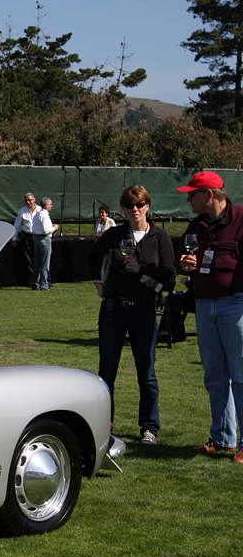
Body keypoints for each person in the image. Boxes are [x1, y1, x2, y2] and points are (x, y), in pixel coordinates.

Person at [87, 185, 175, 445]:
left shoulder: (160, 237)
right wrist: (97, 280)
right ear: (123, 209)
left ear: (148, 205)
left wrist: (142, 270)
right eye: (129, 206)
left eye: (139, 205)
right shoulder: (114, 234)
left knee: (146, 373)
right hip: (113, 311)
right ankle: (106, 426)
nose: (134, 210)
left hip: (145, 310)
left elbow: (169, 276)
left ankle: (149, 428)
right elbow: (92, 255)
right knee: (107, 373)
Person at [177, 171, 243, 463]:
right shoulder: (197, 225)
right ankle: (223, 438)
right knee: (215, 375)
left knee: (241, 376)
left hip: (235, 304)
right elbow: (191, 259)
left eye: (193, 193)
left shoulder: (241, 218)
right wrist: (187, 264)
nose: (189, 198)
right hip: (204, 304)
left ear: (210, 195)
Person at [30, 197, 57, 291]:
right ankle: (44, 285)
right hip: (45, 239)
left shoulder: (36, 214)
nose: (51, 206)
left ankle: (35, 283)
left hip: (37, 238)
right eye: (50, 204)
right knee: (45, 263)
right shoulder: (44, 215)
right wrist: (54, 228)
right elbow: (46, 230)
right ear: (46, 205)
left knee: (37, 263)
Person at [10, 193, 36, 286]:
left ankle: (43, 280)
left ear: (34, 200)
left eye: (30, 200)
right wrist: (14, 239)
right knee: (28, 259)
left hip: (38, 236)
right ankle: (31, 281)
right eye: (26, 201)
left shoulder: (40, 210)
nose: (28, 202)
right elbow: (17, 225)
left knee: (39, 258)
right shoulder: (22, 211)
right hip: (27, 236)